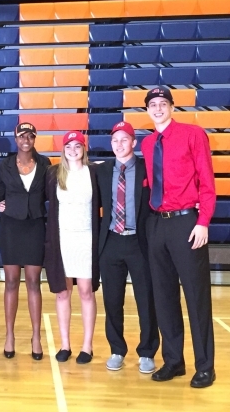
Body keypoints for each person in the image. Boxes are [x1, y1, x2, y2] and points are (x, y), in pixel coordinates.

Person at [141, 87, 216, 388]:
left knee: (196, 297)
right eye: (153, 105)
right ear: (147, 110)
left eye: (163, 104)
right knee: (164, 296)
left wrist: (204, 222)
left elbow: (207, 181)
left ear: (172, 107)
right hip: (157, 223)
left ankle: (205, 366)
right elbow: (150, 181)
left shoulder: (193, 134)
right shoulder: (147, 143)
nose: (158, 109)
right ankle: (174, 360)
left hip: (187, 224)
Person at [96, 122, 159, 373]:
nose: (119, 145)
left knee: (146, 299)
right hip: (111, 240)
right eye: (115, 141)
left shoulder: (147, 169)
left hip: (139, 242)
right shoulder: (102, 171)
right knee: (112, 300)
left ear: (134, 143)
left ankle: (147, 351)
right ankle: (117, 349)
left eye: (124, 140)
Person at [0, 122, 51, 360]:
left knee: (33, 282)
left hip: (35, 226)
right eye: (21, 136)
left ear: (35, 138)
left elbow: (51, 194)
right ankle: (10, 335)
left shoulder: (45, 163)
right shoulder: (5, 165)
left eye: (30, 135)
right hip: (11, 228)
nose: (25, 139)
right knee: (10, 282)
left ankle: (36, 337)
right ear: (15, 139)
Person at [44, 131, 100, 364]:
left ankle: (87, 346)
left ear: (83, 149)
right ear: (63, 149)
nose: (73, 149)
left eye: (78, 145)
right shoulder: (53, 174)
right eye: (69, 145)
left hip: (86, 238)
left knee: (86, 291)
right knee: (63, 292)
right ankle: (65, 344)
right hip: (62, 239)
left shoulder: (95, 172)